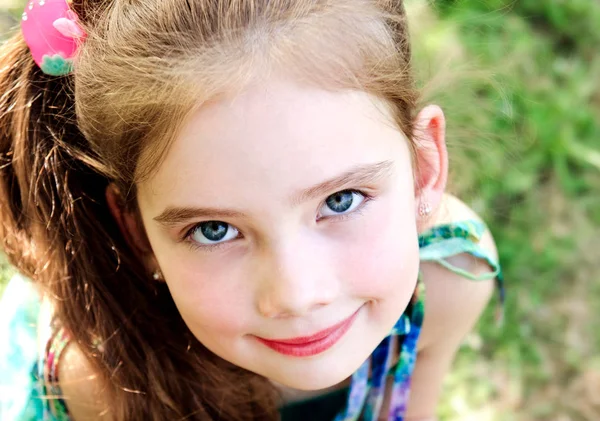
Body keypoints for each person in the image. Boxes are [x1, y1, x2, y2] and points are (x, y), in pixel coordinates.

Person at [0, 0, 504, 420]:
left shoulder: (453, 278)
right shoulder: (104, 379)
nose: (296, 295)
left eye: (341, 201)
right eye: (214, 230)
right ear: (136, 234)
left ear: (424, 166)